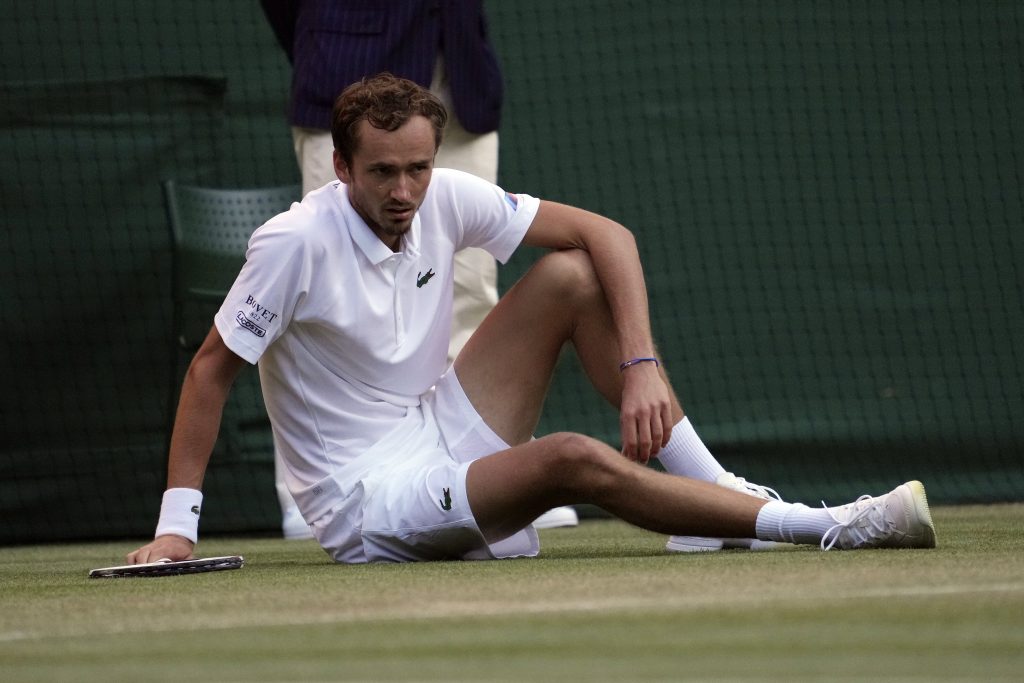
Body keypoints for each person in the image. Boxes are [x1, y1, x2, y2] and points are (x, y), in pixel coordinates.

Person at [127, 74, 935, 566]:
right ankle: (825, 524)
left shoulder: (441, 196)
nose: (404, 191)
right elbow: (211, 368)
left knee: (570, 275)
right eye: (382, 173)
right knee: (570, 457)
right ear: (341, 166)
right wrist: (177, 529)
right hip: (368, 499)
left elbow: (607, 235)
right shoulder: (293, 243)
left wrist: (641, 363)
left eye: (418, 168)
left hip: (435, 423)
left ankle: (712, 494)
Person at [259, 0, 578, 535]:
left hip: (460, 81)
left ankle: (491, 477)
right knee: (323, 295)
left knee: (472, 288)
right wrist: (330, 36)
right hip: (346, 65)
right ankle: (305, 496)